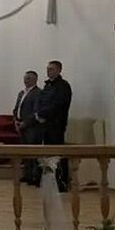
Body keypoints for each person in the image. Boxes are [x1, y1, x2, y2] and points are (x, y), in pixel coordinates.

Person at [35, 60, 72, 192]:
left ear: (58, 70)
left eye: (51, 69)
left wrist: (43, 114)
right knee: (47, 155)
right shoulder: (47, 86)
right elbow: (41, 101)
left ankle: (60, 182)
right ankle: (49, 181)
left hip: (56, 125)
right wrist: (38, 114)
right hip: (45, 125)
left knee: (57, 154)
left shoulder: (63, 86)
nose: (48, 71)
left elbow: (58, 105)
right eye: (47, 68)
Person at [12, 71, 42, 186]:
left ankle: (35, 177)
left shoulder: (38, 93)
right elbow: (16, 109)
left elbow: (36, 112)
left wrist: (25, 123)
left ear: (35, 79)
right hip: (21, 125)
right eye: (25, 78)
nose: (26, 80)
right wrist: (15, 121)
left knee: (33, 153)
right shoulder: (21, 93)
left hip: (32, 127)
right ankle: (27, 174)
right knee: (24, 153)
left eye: (28, 78)